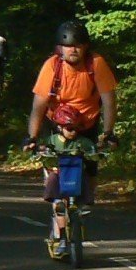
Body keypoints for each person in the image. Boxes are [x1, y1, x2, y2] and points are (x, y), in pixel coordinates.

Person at [24, 19, 118, 201]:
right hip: (55, 124)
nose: (73, 50)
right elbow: (38, 105)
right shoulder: (52, 66)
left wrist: (108, 133)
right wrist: (32, 137)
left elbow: (109, 101)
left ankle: (82, 210)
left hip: (86, 123)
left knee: (91, 166)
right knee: (53, 169)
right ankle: (58, 214)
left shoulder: (96, 64)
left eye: (78, 46)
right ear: (60, 48)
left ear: (86, 47)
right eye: (68, 46)